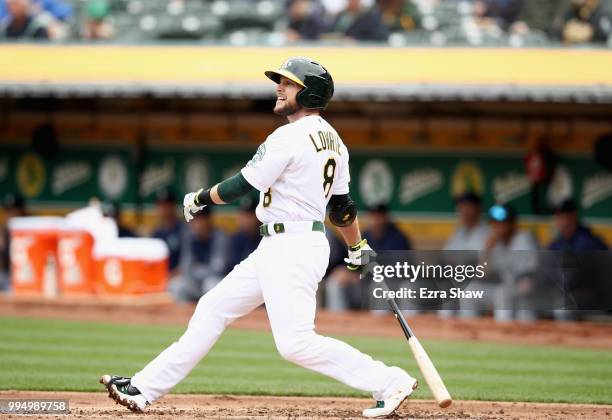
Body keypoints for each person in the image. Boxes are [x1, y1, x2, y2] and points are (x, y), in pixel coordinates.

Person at [101, 57, 418, 418]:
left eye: (289, 83)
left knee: (295, 343)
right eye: (280, 81)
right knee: (213, 307)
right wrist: (357, 244)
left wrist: (201, 197)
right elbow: (342, 209)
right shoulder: (336, 141)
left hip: (292, 246)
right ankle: (144, 389)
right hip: (283, 244)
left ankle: (388, 380)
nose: (279, 87)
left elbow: (242, 185)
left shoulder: (290, 135)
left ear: (310, 92)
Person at [463, 204, 539, 322]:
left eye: (502, 222)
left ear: (512, 223)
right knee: (470, 292)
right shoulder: (495, 243)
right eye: (494, 223)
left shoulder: (524, 239)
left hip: (528, 290)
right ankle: (468, 333)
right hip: (504, 289)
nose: (497, 226)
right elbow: (482, 275)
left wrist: (508, 290)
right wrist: (487, 250)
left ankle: (503, 333)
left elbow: (529, 278)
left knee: (502, 294)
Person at [170, 206, 228, 302]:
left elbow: (218, 269)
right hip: (196, 283)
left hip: (215, 282)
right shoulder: (189, 237)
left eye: (201, 219)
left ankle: (211, 316)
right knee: (176, 285)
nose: (197, 224)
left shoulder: (220, 236)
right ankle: (185, 315)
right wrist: (197, 272)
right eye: (194, 219)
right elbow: (185, 267)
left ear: (209, 219)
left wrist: (196, 270)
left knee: (210, 284)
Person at [151, 188, 184, 276]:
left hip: (178, 278)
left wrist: (169, 276)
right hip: (159, 277)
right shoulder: (156, 233)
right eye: (160, 205)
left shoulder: (183, 230)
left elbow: (187, 262)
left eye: (166, 205)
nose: (163, 209)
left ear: (173, 206)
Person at [225, 194, 261, 275]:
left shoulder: (264, 236)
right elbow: (230, 266)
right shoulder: (235, 238)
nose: (246, 219)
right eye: (243, 214)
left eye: (249, 215)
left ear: (257, 216)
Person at [0, 193, 27, 292]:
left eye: (13, 211)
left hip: (25, 277)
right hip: (6, 277)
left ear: (22, 211)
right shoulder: (4, 231)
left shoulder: (30, 231)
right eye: (7, 211)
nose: (9, 214)